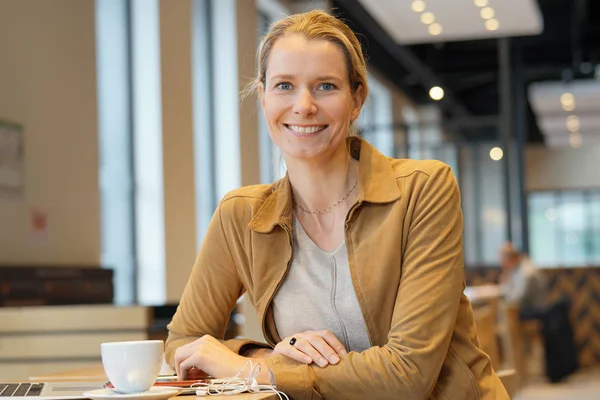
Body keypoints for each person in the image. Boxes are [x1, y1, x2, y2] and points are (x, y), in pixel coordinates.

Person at [165, 10, 509, 400]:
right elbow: (185, 343)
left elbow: (409, 375)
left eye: (326, 86)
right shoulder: (240, 216)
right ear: (262, 98)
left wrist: (258, 371)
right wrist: (268, 354)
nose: (304, 106)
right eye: (284, 86)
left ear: (357, 99)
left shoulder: (423, 189)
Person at [499, 242, 548, 319]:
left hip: (536, 311)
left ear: (510, 259)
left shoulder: (526, 272)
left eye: (503, 261)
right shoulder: (517, 270)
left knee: (505, 311)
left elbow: (518, 300)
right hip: (530, 308)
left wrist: (506, 281)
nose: (502, 264)